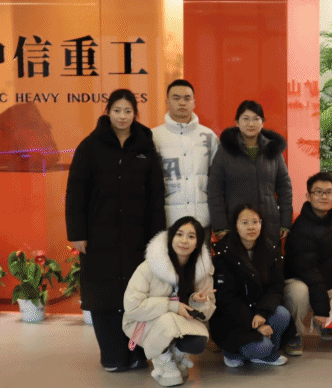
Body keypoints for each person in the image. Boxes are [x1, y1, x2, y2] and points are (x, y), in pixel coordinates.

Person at [66, 89, 166, 372]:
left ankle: (135, 351)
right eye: (117, 110)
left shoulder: (146, 146)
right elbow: (76, 192)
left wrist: (158, 239)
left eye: (128, 111)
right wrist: (77, 233)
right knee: (104, 296)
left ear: (135, 114)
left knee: (136, 295)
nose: (122, 116)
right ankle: (111, 354)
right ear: (108, 111)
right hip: (100, 235)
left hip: (137, 236)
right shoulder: (90, 146)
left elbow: (156, 195)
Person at [121, 217, 215, 387]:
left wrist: (197, 302)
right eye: (179, 234)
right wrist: (172, 306)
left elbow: (206, 315)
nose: (184, 241)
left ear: (198, 243)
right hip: (142, 322)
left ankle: (176, 353)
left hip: (177, 322)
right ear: (171, 237)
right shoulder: (149, 266)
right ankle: (162, 358)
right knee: (167, 320)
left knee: (199, 340)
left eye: (191, 236)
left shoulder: (202, 270)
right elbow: (132, 307)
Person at [210, 205, 293, 367]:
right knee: (263, 347)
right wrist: (254, 325)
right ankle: (232, 352)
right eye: (245, 222)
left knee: (282, 314)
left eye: (255, 222)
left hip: (257, 311)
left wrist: (262, 313)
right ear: (235, 226)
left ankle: (263, 354)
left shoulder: (270, 250)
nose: (251, 227)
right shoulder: (223, 254)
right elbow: (227, 300)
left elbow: (275, 287)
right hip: (232, 319)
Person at [208, 100, 293, 245]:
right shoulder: (225, 151)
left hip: (268, 224)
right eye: (245, 119)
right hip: (235, 224)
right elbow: (215, 190)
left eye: (256, 119)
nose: (251, 124)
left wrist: (285, 221)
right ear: (237, 122)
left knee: (268, 259)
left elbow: (285, 188)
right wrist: (220, 226)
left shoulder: (273, 150)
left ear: (263, 123)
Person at [283, 172, 332, 352]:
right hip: (303, 280)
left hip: (329, 281)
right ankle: (294, 333)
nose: (324, 196)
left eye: (329, 192)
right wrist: (322, 309)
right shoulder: (300, 230)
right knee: (298, 293)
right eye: (318, 192)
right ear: (308, 196)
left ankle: (325, 322)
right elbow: (309, 273)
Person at [152, 78, 219, 227]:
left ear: (194, 103)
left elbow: (218, 181)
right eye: (176, 98)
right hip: (167, 221)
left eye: (187, 98)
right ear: (167, 102)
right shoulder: (154, 137)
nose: (182, 103)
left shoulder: (209, 137)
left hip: (201, 221)